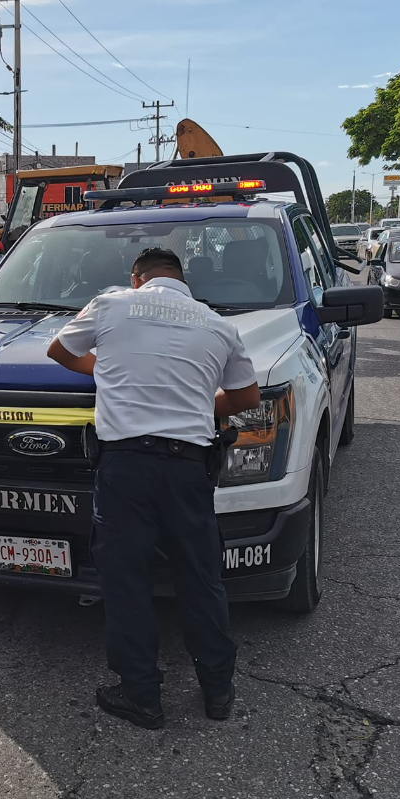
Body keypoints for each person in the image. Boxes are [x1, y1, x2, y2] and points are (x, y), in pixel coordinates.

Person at [46, 247, 261, 730]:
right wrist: (200, 403)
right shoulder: (216, 324)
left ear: (136, 277)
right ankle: (218, 692)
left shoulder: (112, 303)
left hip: (126, 468)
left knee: (127, 582)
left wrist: (110, 373)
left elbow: (59, 350)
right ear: (182, 280)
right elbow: (247, 396)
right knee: (201, 579)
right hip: (188, 469)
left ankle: (142, 696)